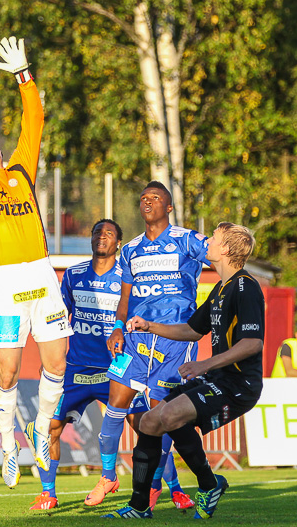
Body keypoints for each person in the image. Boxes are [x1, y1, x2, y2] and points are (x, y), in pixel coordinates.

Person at [0, 36, 68, 488]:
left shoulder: (22, 169)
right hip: (6, 281)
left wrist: (25, 77)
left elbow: (34, 123)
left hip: (42, 273)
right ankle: (7, 444)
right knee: (8, 370)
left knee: (57, 362)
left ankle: (40, 427)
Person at [104, 222, 264, 519]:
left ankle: (207, 483)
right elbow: (192, 329)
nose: (208, 243)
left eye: (214, 239)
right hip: (218, 378)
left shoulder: (245, 286)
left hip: (238, 385)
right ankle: (140, 506)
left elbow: (253, 343)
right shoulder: (220, 288)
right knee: (151, 422)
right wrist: (150, 325)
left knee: (169, 415)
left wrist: (205, 364)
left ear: (225, 249)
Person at [90, 181, 207, 511]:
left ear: (168, 207)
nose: (147, 202)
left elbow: (219, 255)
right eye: (143, 198)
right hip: (134, 340)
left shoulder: (186, 240)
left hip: (173, 341)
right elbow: (124, 299)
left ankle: (155, 485)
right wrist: (116, 329)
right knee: (117, 405)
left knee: (161, 416)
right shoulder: (131, 249)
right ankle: (109, 475)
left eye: (155, 198)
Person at [25, 219, 148, 510]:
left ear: (118, 242)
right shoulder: (74, 274)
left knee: (147, 427)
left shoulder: (127, 277)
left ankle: (171, 489)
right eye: (97, 233)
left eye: (109, 234)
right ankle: (48, 493)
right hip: (77, 369)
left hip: (116, 367)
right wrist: (50, 362)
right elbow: (56, 318)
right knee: (48, 426)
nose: (101, 238)